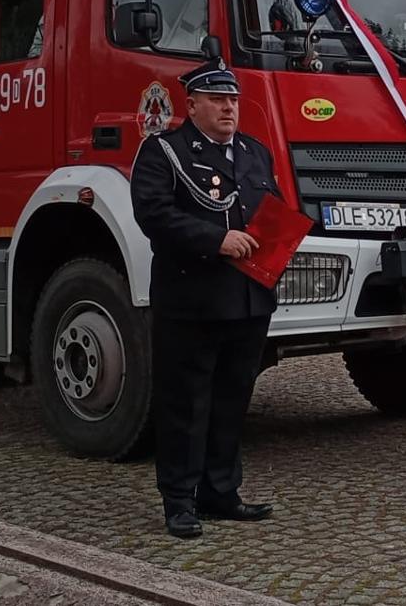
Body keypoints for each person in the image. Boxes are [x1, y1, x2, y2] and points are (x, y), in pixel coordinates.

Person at [129, 57, 280, 539]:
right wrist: (215, 239)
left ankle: (220, 492)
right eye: (217, 99)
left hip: (247, 300)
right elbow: (153, 213)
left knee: (232, 400)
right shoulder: (164, 153)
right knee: (185, 403)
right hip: (192, 300)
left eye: (233, 99)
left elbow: (270, 211)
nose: (228, 108)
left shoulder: (255, 152)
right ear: (191, 105)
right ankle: (179, 501)